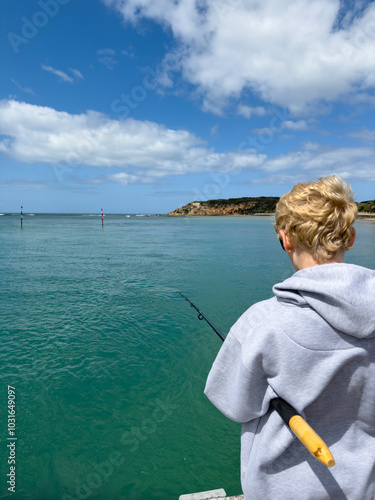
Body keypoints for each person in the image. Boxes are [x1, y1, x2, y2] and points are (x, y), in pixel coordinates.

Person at [204, 176, 375, 500]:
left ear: (285, 240)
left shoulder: (262, 321)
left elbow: (234, 404)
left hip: (280, 490)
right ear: (350, 237)